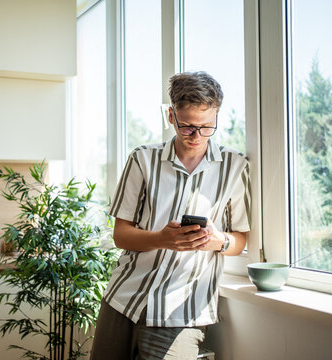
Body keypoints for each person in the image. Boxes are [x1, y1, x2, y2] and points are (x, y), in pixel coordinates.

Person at [90, 71, 251, 360]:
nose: (196, 136)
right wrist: (163, 239)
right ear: (171, 116)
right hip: (123, 300)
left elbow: (240, 240)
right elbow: (120, 235)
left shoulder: (234, 166)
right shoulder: (142, 159)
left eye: (206, 127)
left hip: (181, 312)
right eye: (187, 126)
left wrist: (217, 241)